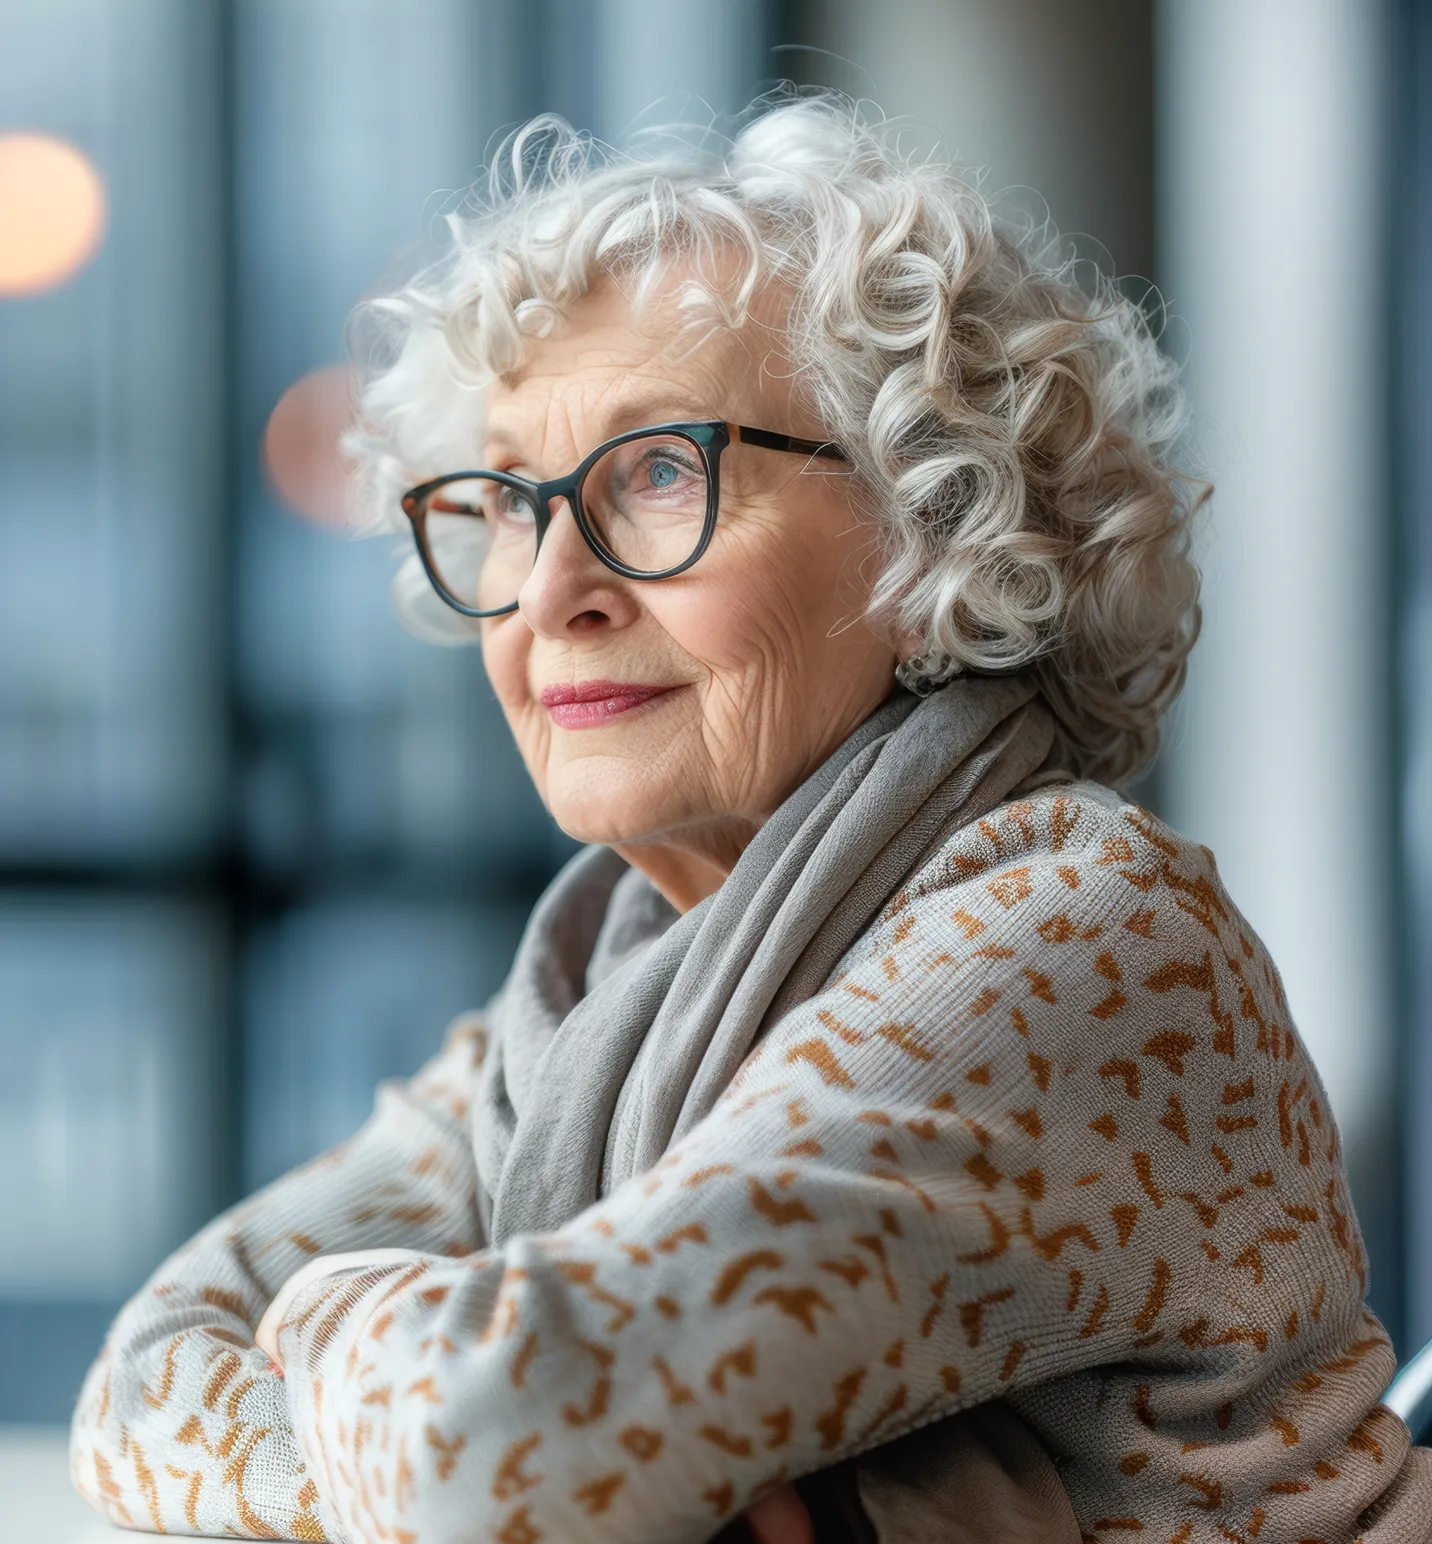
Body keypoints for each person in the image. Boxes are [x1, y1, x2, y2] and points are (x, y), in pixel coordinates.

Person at [70, 93, 1432, 1544]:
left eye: (662, 471)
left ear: (934, 527)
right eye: (513, 502)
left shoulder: (1080, 941)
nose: (552, 593)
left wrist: (333, 1313)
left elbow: (492, 1450)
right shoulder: (578, 1004)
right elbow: (143, 1383)